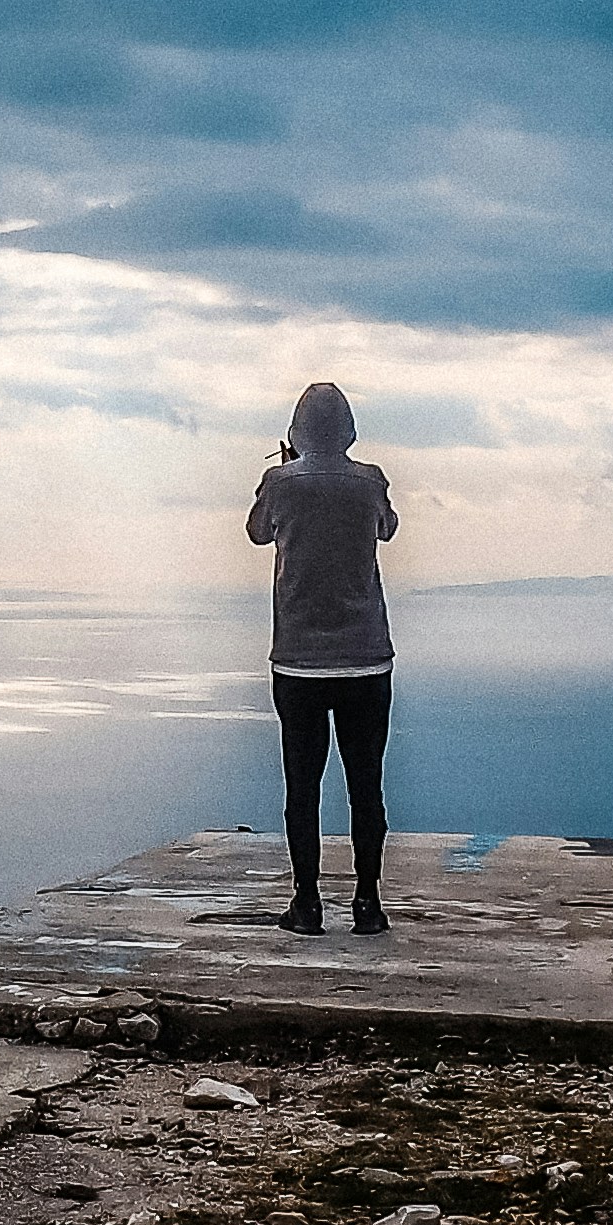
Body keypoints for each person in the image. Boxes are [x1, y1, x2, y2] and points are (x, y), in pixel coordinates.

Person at [245, 380, 397, 935]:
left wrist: (286, 471)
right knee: (366, 784)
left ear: (296, 430)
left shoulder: (278, 482)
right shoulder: (370, 481)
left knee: (302, 785)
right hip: (366, 657)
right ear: (349, 430)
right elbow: (387, 527)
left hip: (298, 661)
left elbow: (258, 533)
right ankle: (368, 904)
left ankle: (306, 904)